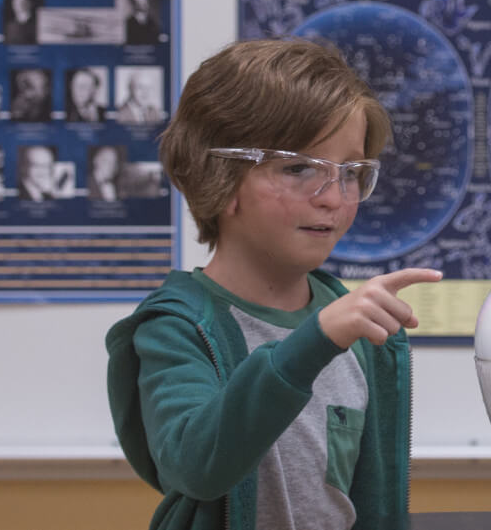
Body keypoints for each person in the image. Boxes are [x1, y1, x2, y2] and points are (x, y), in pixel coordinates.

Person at [106, 37, 441, 530]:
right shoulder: (177, 327)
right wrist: (314, 342)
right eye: (299, 167)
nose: (333, 197)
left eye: (351, 172)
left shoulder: (360, 332)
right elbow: (197, 467)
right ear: (216, 175)